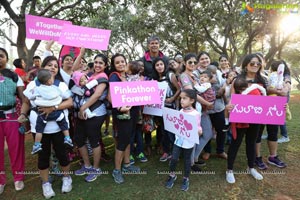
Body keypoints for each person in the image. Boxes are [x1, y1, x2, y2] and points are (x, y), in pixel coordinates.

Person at [20, 56, 73, 199]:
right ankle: (45, 183)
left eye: (55, 66)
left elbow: (70, 102)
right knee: (43, 156)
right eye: (49, 65)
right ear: (43, 67)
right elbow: (26, 101)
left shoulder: (60, 85)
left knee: (62, 154)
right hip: (39, 129)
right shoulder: (33, 85)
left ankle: (67, 178)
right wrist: (23, 114)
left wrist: (53, 108)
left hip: (58, 127)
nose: (53, 68)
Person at [226, 54, 267, 184]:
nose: (255, 65)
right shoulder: (237, 80)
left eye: (258, 63)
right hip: (240, 118)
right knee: (235, 143)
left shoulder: (262, 81)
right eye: (252, 63)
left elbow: (267, 100)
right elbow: (231, 98)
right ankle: (229, 170)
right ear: (245, 65)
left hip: (256, 118)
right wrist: (229, 105)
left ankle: (251, 167)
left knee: (252, 142)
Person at [73, 53, 109, 182]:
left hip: (96, 112)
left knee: (94, 140)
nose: (98, 65)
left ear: (105, 65)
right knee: (79, 138)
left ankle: (96, 168)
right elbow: (74, 70)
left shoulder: (103, 77)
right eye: (96, 62)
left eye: (101, 63)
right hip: (82, 111)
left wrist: (83, 108)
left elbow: (97, 95)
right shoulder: (88, 75)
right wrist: (81, 53)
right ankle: (87, 165)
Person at [178, 53, 213, 171]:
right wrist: (207, 103)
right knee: (192, 137)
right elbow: (192, 94)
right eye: (190, 62)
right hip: (190, 111)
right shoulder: (184, 76)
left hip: (201, 110)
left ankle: (195, 157)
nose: (192, 64)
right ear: (184, 63)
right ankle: (191, 162)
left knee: (207, 134)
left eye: (194, 62)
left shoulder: (195, 75)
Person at [109, 53, 141, 184]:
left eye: (123, 61)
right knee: (122, 141)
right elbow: (110, 95)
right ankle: (117, 170)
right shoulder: (114, 76)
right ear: (114, 65)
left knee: (128, 138)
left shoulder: (128, 76)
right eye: (117, 62)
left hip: (132, 112)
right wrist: (118, 108)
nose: (121, 64)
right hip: (122, 113)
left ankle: (127, 165)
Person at [28, 69, 73, 154]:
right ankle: (67, 138)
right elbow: (65, 95)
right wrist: (70, 93)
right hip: (56, 112)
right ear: (49, 81)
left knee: (39, 130)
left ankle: (37, 145)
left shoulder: (37, 89)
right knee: (63, 123)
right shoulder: (55, 88)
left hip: (42, 114)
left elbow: (30, 97)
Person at [255, 60, 290, 170]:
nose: (257, 64)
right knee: (258, 133)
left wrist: (284, 89)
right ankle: (257, 157)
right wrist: (279, 92)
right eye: (254, 62)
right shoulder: (256, 77)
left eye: (259, 62)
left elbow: (282, 87)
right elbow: (269, 89)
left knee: (273, 132)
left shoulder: (272, 76)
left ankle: (273, 156)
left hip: (273, 107)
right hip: (258, 108)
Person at [0, 47, 26, 195]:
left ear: (7, 58)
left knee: (16, 148)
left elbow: (23, 97)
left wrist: (23, 114)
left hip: (12, 117)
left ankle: (19, 177)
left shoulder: (14, 76)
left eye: (1, 56)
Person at [165, 89, 202, 191]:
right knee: (174, 159)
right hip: (178, 141)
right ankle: (172, 175)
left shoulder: (195, 114)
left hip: (188, 143)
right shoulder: (180, 111)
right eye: (181, 98)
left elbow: (199, 128)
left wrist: (198, 131)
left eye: (184, 98)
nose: (181, 100)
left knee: (187, 161)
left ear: (192, 100)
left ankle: (186, 178)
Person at [152, 57, 181, 162]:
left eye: (161, 64)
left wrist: (173, 98)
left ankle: (175, 153)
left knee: (172, 132)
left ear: (165, 65)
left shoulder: (170, 75)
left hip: (171, 108)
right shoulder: (155, 79)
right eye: (157, 65)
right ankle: (166, 152)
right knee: (163, 131)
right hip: (160, 109)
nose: (159, 67)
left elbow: (179, 89)